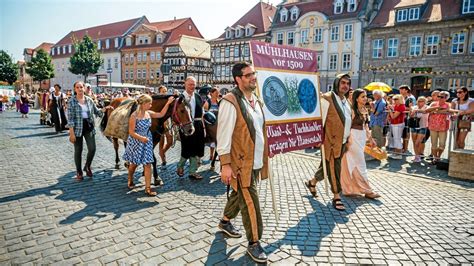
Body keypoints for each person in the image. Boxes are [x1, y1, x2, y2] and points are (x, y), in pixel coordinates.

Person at [217, 62, 269, 263]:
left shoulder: (256, 100)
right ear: (238, 79)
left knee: (239, 194)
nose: (253, 78)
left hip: (255, 161)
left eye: (253, 74)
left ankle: (225, 221)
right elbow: (223, 137)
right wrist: (225, 165)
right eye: (248, 75)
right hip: (240, 163)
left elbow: (259, 130)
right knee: (250, 202)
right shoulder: (230, 102)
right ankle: (254, 242)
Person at [305, 73, 352, 211]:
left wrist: (347, 140)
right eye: (343, 82)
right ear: (337, 83)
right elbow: (320, 121)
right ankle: (337, 195)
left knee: (326, 166)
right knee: (334, 168)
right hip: (330, 142)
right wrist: (318, 139)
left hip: (342, 141)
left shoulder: (346, 102)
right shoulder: (327, 98)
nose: (345, 86)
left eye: (348, 84)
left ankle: (312, 182)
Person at [123, 94, 174, 196]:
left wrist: (168, 103)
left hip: (147, 141)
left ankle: (148, 188)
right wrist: (142, 138)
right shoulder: (134, 116)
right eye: (149, 103)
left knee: (148, 164)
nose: (151, 105)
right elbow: (131, 132)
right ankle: (130, 178)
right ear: (143, 104)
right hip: (136, 142)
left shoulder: (149, 113)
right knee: (134, 164)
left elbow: (161, 114)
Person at [67, 81, 113, 180]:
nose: (79, 89)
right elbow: (70, 119)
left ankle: (87, 166)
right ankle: (79, 171)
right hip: (77, 128)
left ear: (84, 88)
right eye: (77, 87)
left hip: (89, 126)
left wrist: (105, 109)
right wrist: (71, 133)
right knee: (78, 150)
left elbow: (97, 112)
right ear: (75, 89)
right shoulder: (71, 101)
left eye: (81, 87)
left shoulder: (89, 100)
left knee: (92, 148)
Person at [340, 89, 380, 199]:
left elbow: (366, 127)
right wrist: (346, 140)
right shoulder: (351, 110)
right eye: (362, 96)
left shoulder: (365, 109)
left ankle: (349, 187)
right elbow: (346, 126)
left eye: (366, 96)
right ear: (356, 98)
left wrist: (370, 139)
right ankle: (367, 190)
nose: (365, 98)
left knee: (352, 163)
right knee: (360, 163)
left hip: (361, 137)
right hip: (353, 138)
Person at [176, 76, 206, 179]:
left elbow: (202, 113)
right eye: (190, 84)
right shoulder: (180, 98)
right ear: (185, 84)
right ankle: (180, 166)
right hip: (185, 126)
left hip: (198, 125)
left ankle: (192, 171)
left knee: (197, 148)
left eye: (194, 84)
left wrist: (203, 127)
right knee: (187, 148)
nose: (192, 86)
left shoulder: (198, 97)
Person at [425, 91, 452, 164]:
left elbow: (448, 111)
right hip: (433, 126)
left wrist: (435, 111)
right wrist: (438, 107)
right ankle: (435, 158)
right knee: (434, 144)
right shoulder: (434, 103)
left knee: (442, 145)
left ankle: (438, 156)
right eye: (438, 96)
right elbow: (426, 110)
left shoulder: (448, 104)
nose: (439, 98)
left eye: (441, 97)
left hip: (443, 127)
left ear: (446, 98)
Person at [203, 87, 220, 170]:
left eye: (218, 93)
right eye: (216, 93)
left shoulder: (219, 102)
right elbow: (204, 113)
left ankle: (213, 156)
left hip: (217, 122)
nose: (217, 94)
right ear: (212, 93)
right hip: (209, 122)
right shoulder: (208, 102)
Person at [409, 97, 429, 162]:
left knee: (418, 142)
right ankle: (417, 156)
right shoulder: (414, 107)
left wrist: (417, 110)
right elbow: (411, 115)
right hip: (414, 126)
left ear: (425, 102)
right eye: (419, 101)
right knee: (414, 142)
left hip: (423, 126)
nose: (420, 102)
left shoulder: (427, 107)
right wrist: (411, 110)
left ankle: (419, 155)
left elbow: (425, 112)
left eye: (422, 101)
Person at [157, 85, 173, 169]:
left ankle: (162, 152)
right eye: (163, 91)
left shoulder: (168, 99)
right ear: (159, 92)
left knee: (170, 140)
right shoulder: (158, 100)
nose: (165, 92)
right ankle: (163, 159)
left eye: (165, 91)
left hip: (167, 122)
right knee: (161, 141)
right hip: (159, 123)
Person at [387, 94, 406, 159]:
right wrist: (391, 108)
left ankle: (398, 154)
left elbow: (393, 116)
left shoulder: (401, 106)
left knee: (397, 139)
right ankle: (396, 153)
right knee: (395, 139)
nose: (394, 100)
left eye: (396, 99)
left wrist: (390, 110)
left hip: (398, 124)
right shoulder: (397, 106)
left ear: (400, 99)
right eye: (394, 99)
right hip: (395, 124)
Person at [399, 85, 415, 154]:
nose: (400, 91)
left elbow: (411, 108)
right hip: (399, 118)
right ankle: (401, 148)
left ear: (406, 90)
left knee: (406, 134)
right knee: (400, 134)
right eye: (400, 89)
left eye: (402, 89)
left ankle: (405, 149)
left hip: (406, 119)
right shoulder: (399, 98)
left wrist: (401, 108)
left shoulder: (409, 99)